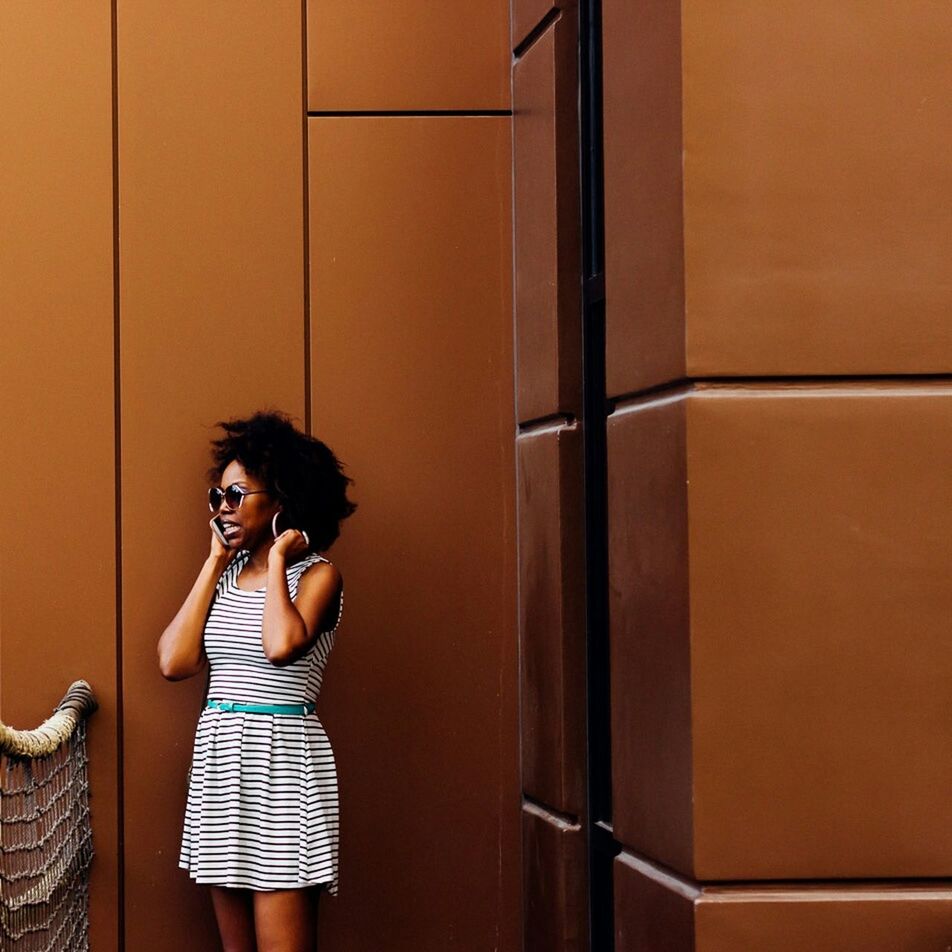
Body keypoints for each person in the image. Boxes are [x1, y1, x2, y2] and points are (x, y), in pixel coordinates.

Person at [157, 410, 357, 952]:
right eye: (216, 497)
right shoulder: (224, 575)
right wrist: (214, 560)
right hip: (222, 767)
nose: (223, 507)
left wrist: (275, 564)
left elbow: (282, 646)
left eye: (237, 495)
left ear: (281, 499)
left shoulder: (317, 575)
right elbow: (174, 661)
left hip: (283, 766)